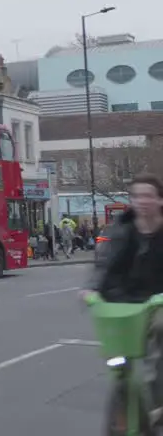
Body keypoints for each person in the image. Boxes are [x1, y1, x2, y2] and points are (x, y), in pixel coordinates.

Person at [89, 174, 163, 414]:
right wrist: (91, 289)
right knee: (119, 353)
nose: (142, 201)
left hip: (159, 300)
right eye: (137, 196)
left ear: (159, 200)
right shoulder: (121, 228)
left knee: (159, 338)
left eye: (148, 196)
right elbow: (104, 263)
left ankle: (157, 405)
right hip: (127, 301)